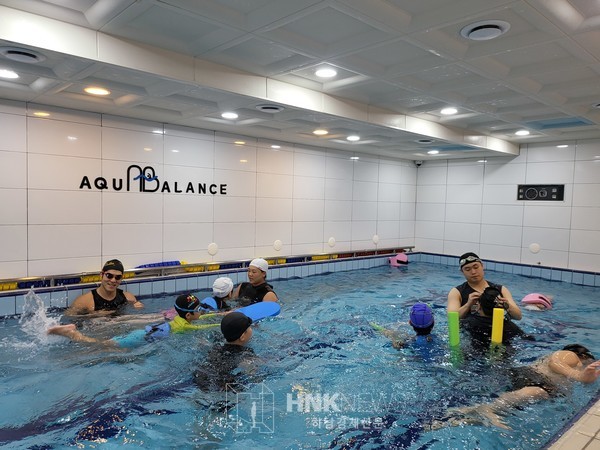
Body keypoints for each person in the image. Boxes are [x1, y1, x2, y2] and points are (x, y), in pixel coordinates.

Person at [437, 344, 600, 429]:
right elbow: (555, 361)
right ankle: (487, 409)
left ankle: (467, 415)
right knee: (539, 392)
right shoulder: (571, 355)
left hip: (526, 377)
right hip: (534, 378)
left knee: (508, 412)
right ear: (584, 355)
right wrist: (578, 375)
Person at [48, 293, 219, 347]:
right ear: (188, 316)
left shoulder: (179, 319)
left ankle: (71, 332)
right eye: (199, 310)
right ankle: (72, 334)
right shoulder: (186, 327)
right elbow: (205, 327)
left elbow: (205, 317)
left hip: (143, 333)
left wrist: (221, 314)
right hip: (139, 338)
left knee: (106, 345)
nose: (202, 312)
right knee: (101, 345)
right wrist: (221, 322)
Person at [193, 311, 257, 391]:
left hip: (200, 377)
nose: (251, 329)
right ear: (242, 337)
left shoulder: (217, 346)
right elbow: (252, 373)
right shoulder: (246, 353)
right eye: (249, 327)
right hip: (221, 385)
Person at [447, 252, 521, 320]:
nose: (473, 272)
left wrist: (507, 305)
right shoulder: (456, 292)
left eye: (476, 267)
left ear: (482, 266)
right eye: (467, 269)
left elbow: (518, 316)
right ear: (462, 272)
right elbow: (451, 319)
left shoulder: (500, 289)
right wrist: (468, 305)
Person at [65, 259, 142, 316]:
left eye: (118, 277)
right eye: (109, 276)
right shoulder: (85, 301)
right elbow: (68, 318)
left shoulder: (129, 298)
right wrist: (92, 315)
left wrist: (139, 307)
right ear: (101, 275)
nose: (113, 280)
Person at [461, 285, 532, 347]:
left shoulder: (468, 322)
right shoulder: (510, 326)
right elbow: (529, 339)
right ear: (501, 308)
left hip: (476, 352)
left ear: (479, 306)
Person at [371, 302, 437, 350]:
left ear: (410, 322)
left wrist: (371, 324)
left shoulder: (406, 340)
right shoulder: (439, 339)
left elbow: (383, 330)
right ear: (433, 322)